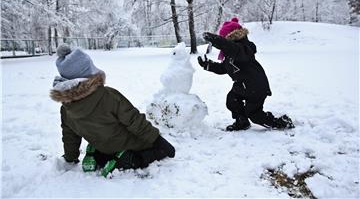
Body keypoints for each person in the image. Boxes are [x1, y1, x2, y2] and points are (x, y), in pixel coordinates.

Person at [50, 44, 175, 177]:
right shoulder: (108, 96)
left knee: (104, 151)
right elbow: (134, 120)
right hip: (127, 143)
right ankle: (128, 159)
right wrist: (157, 140)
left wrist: (70, 157)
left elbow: (70, 136)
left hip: (103, 146)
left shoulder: (66, 108)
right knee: (158, 151)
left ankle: (98, 156)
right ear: (87, 71)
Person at [198, 17, 294, 131]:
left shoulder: (244, 48)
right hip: (241, 85)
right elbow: (223, 68)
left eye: (224, 38)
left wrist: (215, 40)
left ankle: (281, 123)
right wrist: (208, 65)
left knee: (254, 114)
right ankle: (242, 121)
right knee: (232, 100)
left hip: (256, 87)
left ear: (230, 37)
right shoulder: (229, 55)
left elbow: (233, 48)